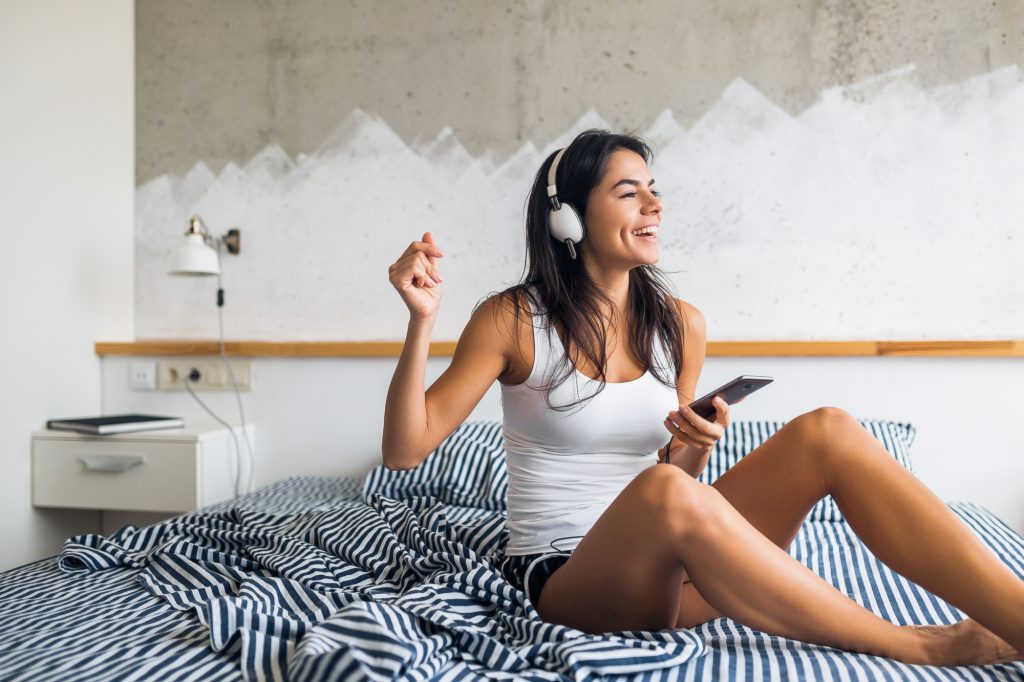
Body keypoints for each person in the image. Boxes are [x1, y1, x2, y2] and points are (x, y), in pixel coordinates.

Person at [382, 128, 1023, 665]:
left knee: (827, 429)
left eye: (654, 192)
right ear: (567, 217)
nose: (653, 207)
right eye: (628, 194)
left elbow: (673, 479)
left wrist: (692, 448)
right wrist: (422, 321)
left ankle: (1017, 620)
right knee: (664, 495)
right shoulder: (514, 319)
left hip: (681, 577)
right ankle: (919, 647)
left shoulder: (679, 323)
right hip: (575, 578)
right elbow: (405, 452)